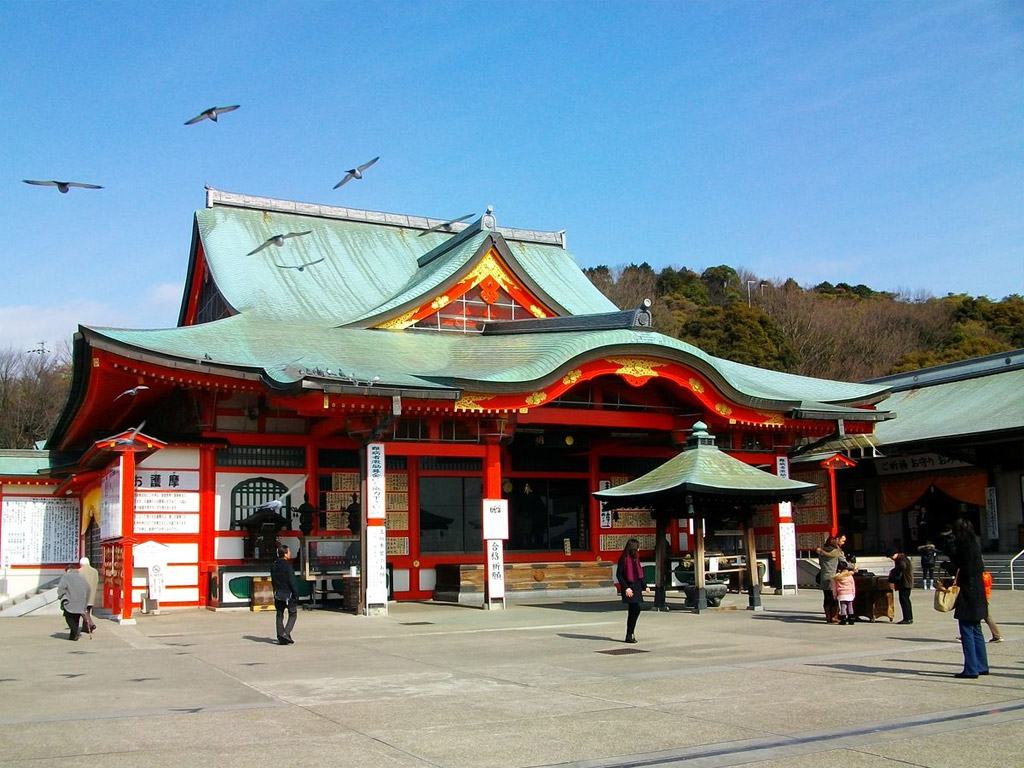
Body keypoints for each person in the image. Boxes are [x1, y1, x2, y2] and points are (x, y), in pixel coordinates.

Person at [940, 519, 989, 679]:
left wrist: (950, 567)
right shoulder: (974, 543)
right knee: (976, 630)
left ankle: (971, 668)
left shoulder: (965, 546)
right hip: (978, 589)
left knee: (967, 630)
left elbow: (965, 569)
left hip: (969, 591)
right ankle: (982, 665)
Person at [616, 538, 648, 644]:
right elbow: (619, 575)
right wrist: (626, 588)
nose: (639, 550)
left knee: (635, 610)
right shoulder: (623, 559)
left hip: (637, 587)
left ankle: (630, 634)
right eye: (637, 547)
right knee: (636, 608)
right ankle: (630, 634)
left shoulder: (636, 558)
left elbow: (640, 574)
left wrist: (645, 586)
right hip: (629, 587)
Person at [270, 544, 299, 645]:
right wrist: (296, 594)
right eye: (289, 552)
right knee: (293, 614)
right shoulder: (287, 565)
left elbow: (273, 580)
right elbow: (292, 581)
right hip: (288, 593)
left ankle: (280, 635)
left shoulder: (273, 565)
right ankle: (285, 633)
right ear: (285, 554)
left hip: (278, 593)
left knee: (279, 615)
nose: (290, 553)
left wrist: (275, 590)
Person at [815, 532, 847, 624]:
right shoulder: (837, 552)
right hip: (834, 577)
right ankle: (834, 617)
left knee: (826, 597)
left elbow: (821, 564)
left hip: (824, 576)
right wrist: (853, 566)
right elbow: (843, 563)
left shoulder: (821, 552)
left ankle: (828, 617)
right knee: (834, 598)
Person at [56, 564, 89, 641]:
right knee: (76, 618)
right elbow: (88, 589)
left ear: (68, 570)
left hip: (69, 601)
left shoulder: (66, 577)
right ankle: (73, 635)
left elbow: (61, 588)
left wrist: (61, 596)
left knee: (69, 618)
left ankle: (75, 632)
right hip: (80, 602)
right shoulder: (82, 577)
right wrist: (85, 601)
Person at [887, 543, 914, 624]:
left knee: (904, 600)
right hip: (907, 582)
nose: (891, 558)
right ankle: (908, 618)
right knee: (906, 600)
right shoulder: (903, 557)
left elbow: (902, 566)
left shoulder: (900, 559)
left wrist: (894, 571)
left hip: (904, 582)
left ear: (895, 554)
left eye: (891, 556)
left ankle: (907, 618)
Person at [78, 556, 99, 633]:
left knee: (83, 612)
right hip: (92, 595)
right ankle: (86, 627)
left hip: (83, 595)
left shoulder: (79, 571)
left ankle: (91, 624)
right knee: (88, 611)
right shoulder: (95, 571)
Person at [981, 570, 1002, 643]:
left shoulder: (981, 577)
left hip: (980, 599)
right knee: (987, 617)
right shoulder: (987, 575)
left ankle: (997, 635)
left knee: (987, 617)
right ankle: (997, 635)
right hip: (985, 598)